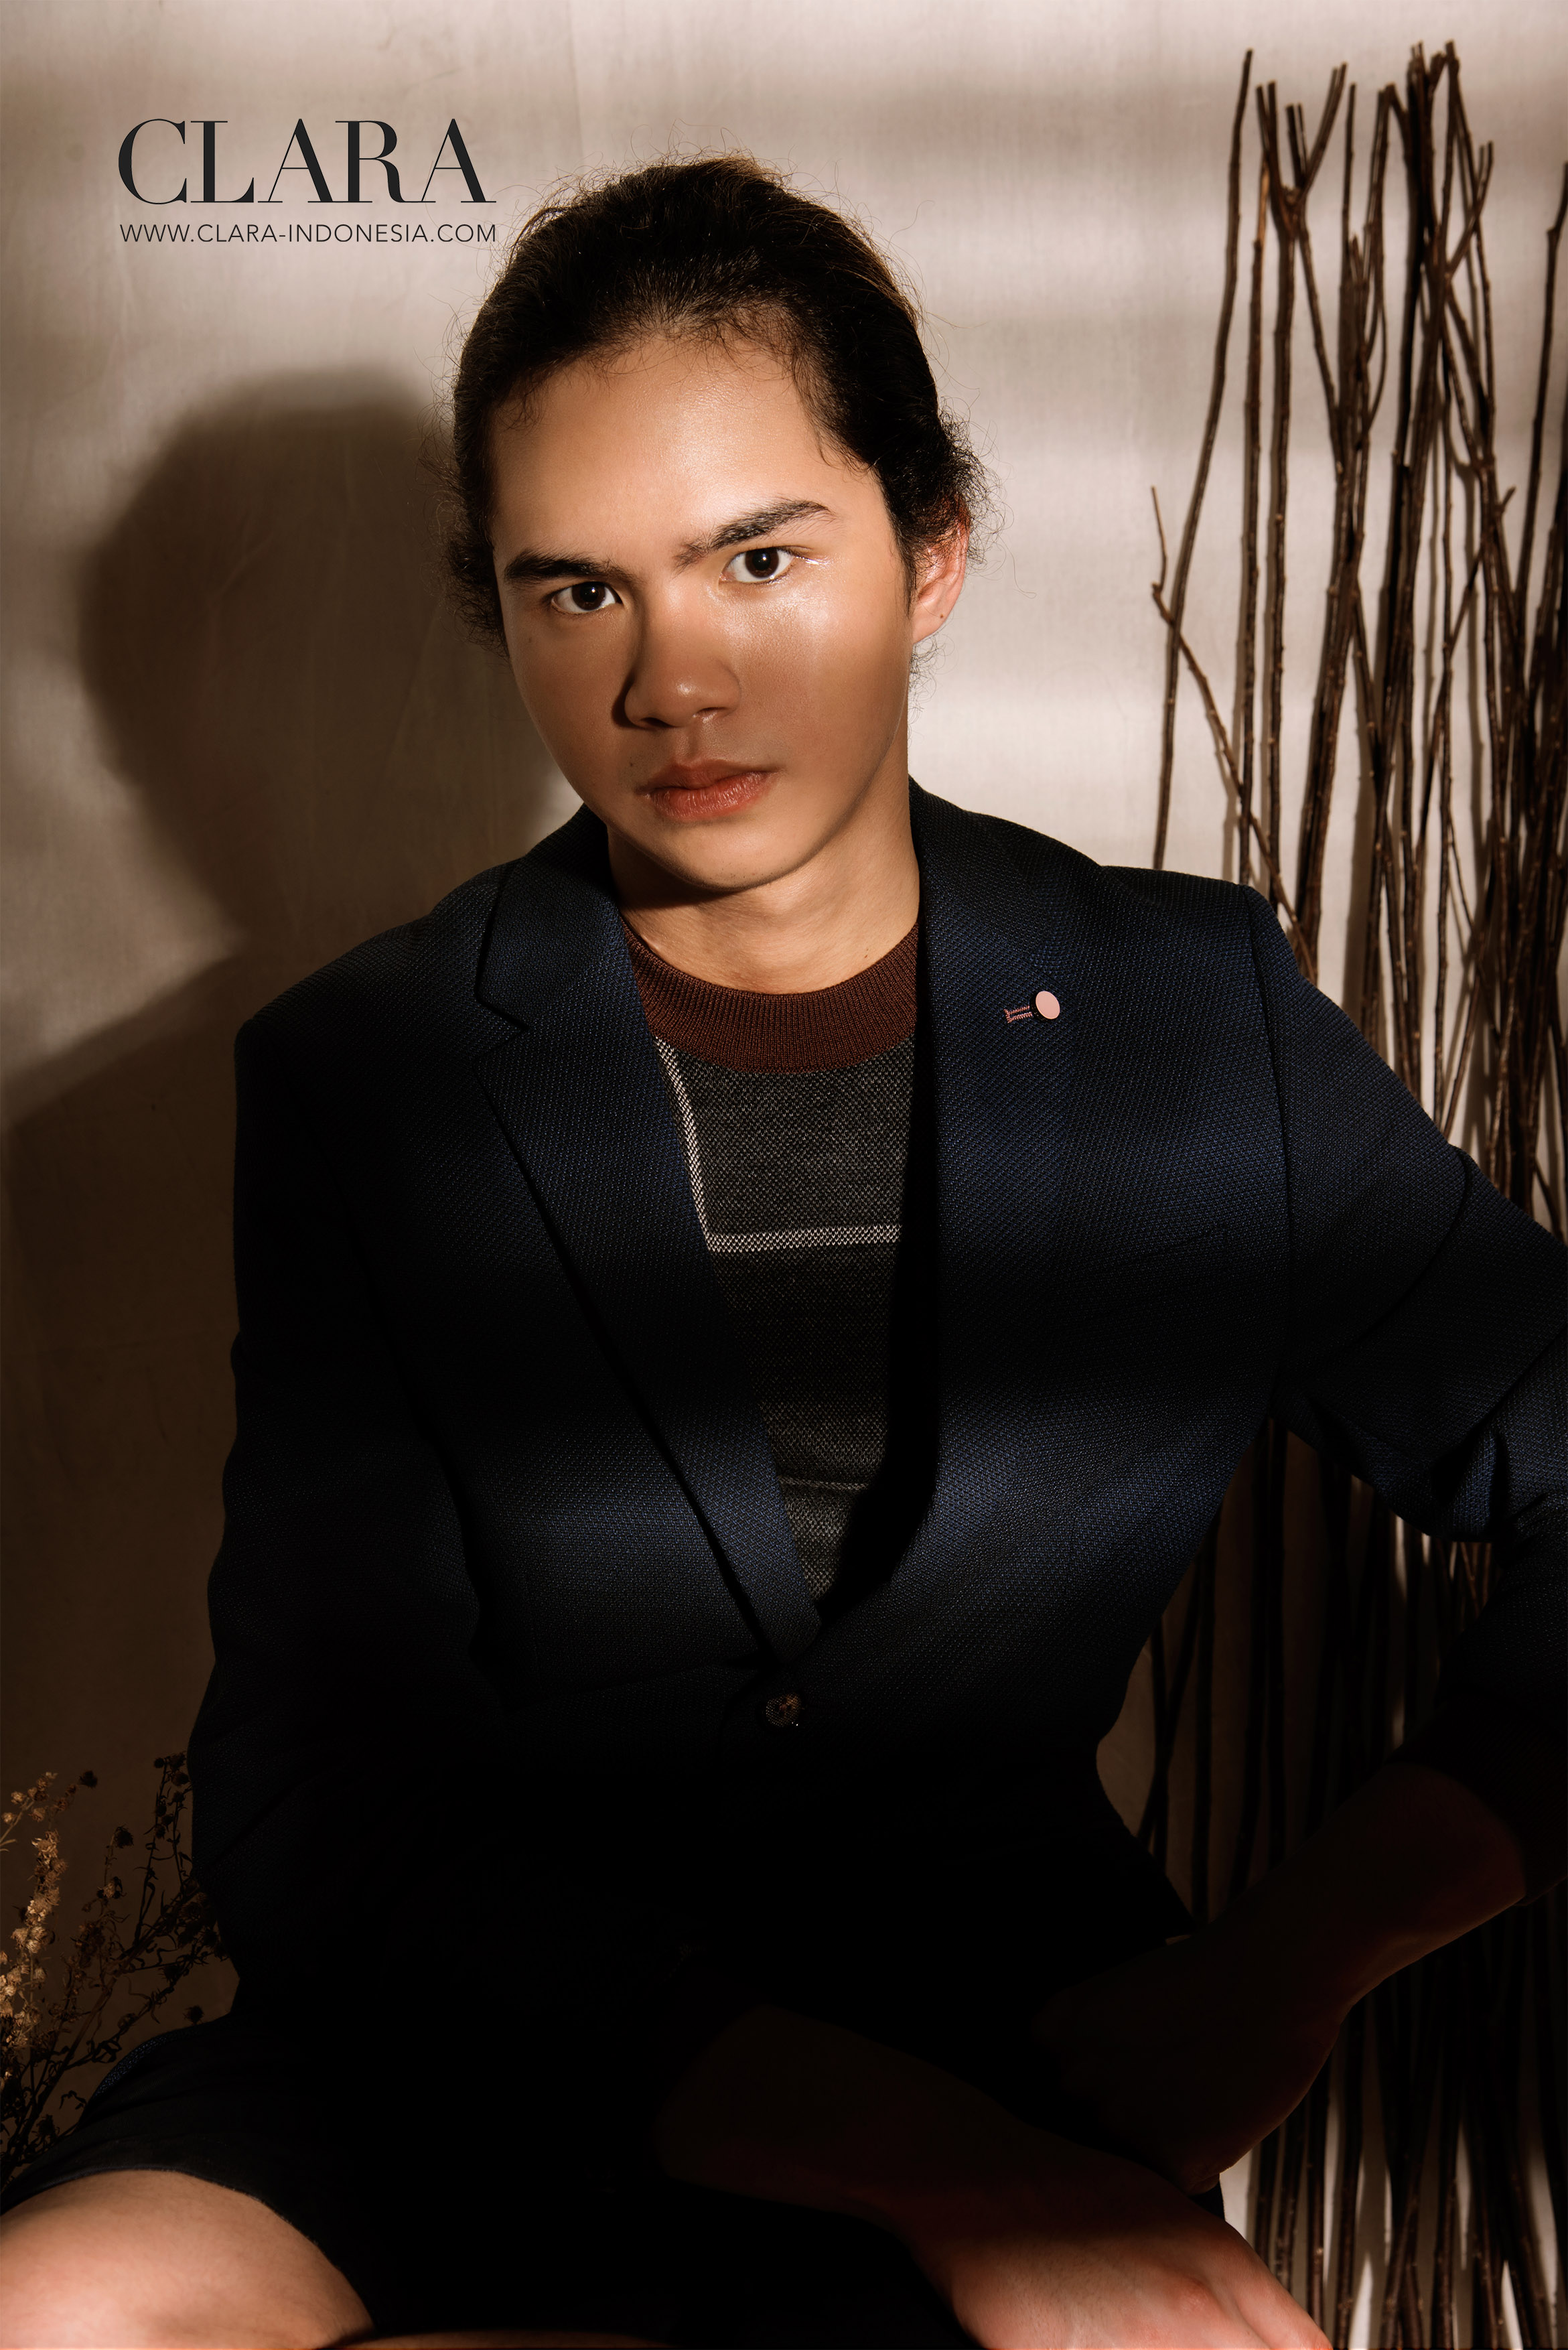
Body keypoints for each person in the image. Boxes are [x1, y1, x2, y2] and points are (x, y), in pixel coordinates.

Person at [1, 154, 1561, 2350]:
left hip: (997, 2036)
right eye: (578, 589)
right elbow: (316, 1798)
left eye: (758, 556)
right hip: (476, 2050)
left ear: (932, 554)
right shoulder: (369, 1073)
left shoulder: (1190, 1024)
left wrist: (1294, 1962)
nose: (674, 676)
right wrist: (946, 2174)